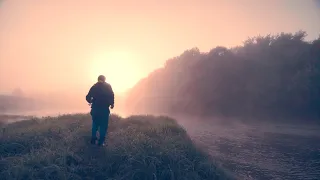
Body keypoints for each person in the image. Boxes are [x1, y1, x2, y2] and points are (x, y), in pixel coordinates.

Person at [86, 75, 114, 147]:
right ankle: (101, 142)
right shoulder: (108, 86)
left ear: (98, 79)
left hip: (95, 109)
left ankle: (93, 140)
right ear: (104, 79)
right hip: (104, 109)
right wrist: (112, 104)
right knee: (103, 126)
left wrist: (91, 101)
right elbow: (111, 95)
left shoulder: (94, 87)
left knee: (95, 124)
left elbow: (87, 97)